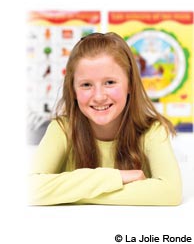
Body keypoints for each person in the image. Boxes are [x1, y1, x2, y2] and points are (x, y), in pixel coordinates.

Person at [28, 32, 182, 206]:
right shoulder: (62, 129)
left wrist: (72, 193)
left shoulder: (152, 131)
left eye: (109, 82)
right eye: (86, 85)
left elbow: (170, 193)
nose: (99, 96)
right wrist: (116, 177)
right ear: (73, 91)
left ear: (130, 84)